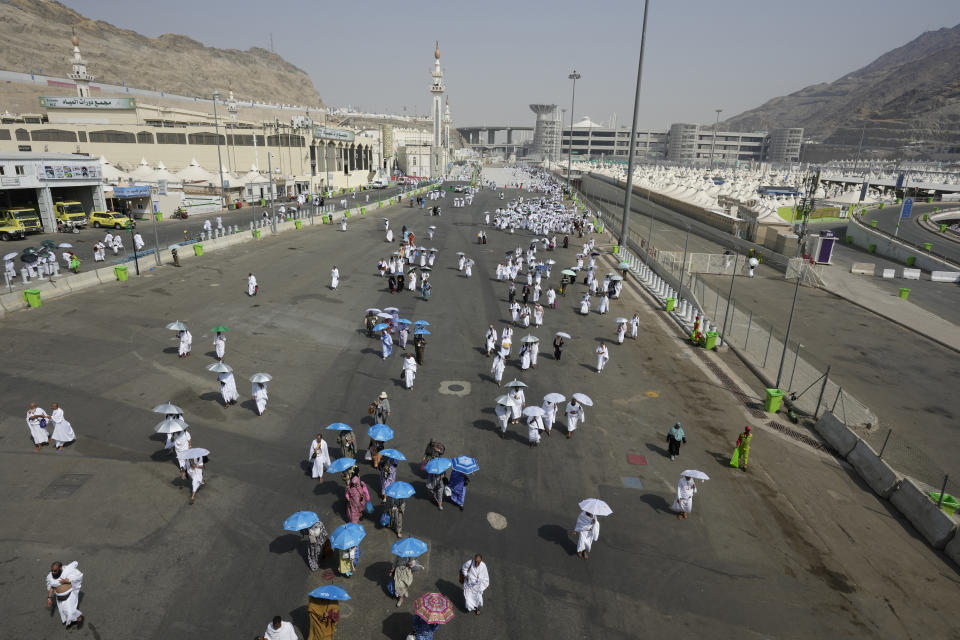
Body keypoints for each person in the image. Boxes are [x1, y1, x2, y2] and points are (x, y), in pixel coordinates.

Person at [45, 561, 83, 629]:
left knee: (71, 611)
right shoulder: (50, 577)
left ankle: (79, 618)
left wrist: (67, 581)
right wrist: (49, 598)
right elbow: (51, 588)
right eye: (52, 570)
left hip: (70, 595)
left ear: (60, 568)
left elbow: (77, 578)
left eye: (55, 571)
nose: (53, 572)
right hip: (60, 598)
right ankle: (72, 621)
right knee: (65, 611)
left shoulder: (67, 572)